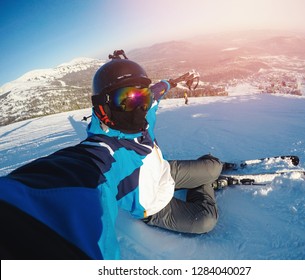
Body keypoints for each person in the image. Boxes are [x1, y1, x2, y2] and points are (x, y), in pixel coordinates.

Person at [0, 51, 223, 260]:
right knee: (206, 220)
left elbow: (155, 92)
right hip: (155, 205)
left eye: (141, 98)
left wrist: (171, 82)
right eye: (125, 100)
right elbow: (76, 176)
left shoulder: (145, 111)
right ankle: (206, 184)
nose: (138, 107)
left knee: (214, 166)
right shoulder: (103, 154)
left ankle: (208, 177)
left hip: (164, 170)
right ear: (102, 108)